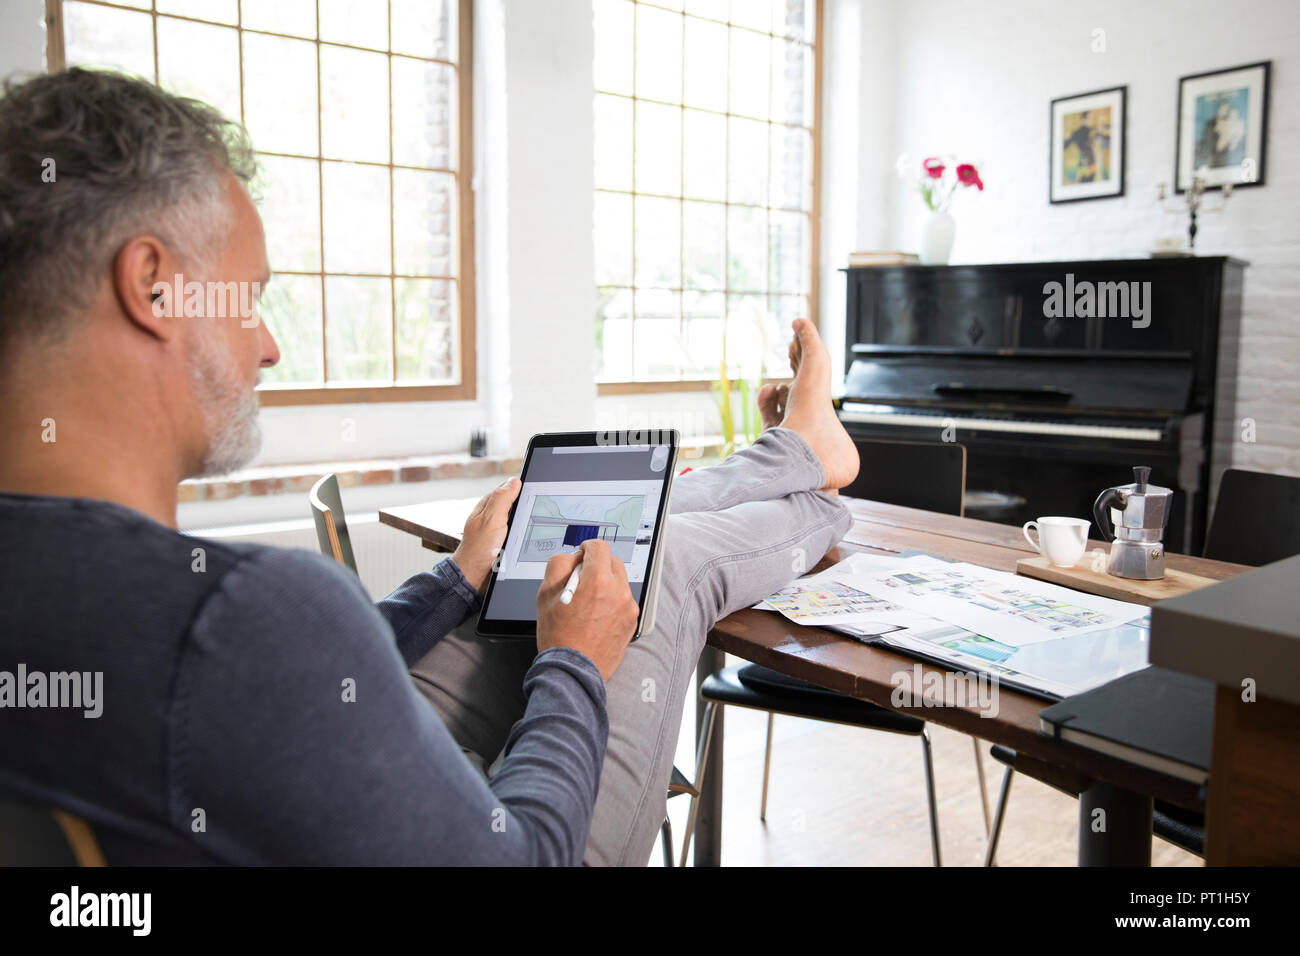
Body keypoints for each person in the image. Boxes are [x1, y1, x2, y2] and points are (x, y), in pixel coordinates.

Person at [0, 68, 859, 865]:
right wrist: (577, 663)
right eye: (251, 298)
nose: (267, 345)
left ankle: (795, 455)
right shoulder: (237, 617)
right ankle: (821, 487)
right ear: (154, 287)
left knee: (613, 524)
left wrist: (452, 578)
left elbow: (293, 677)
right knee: (658, 571)